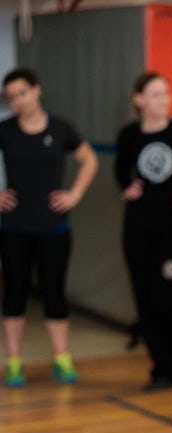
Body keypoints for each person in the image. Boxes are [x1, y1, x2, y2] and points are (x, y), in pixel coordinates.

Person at [0, 67, 98, 387]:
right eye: (11, 97)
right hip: (14, 227)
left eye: (23, 93)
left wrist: (75, 194)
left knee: (54, 293)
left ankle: (62, 358)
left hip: (53, 227)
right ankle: (14, 362)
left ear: (37, 90)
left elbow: (90, 160)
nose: (18, 101)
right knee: (14, 294)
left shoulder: (60, 128)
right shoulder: (6, 130)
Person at [114, 72, 172, 391]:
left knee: (169, 298)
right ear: (139, 99)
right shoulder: (129, 135)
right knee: (145, 300)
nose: (163, 100)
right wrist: (127, 187)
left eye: (166, 93)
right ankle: (163, 369)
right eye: (155, 94)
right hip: (138, 228)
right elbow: (120, 169)